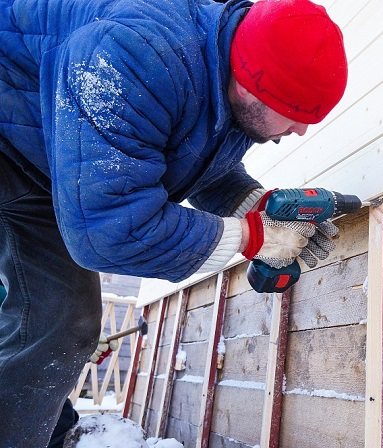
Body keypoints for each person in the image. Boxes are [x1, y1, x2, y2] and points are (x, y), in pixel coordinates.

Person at [0, 0, 348, 445]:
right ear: (251, 87)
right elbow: (109, 231)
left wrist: (256, 207)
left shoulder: (231, 77)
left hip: (58, 165)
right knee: (57, 317)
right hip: (12, 151)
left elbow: (198, 165)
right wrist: (252, 237)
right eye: (297, 114)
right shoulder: (132, 56)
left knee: (53, 319)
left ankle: (45, 430)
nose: (300, 131)